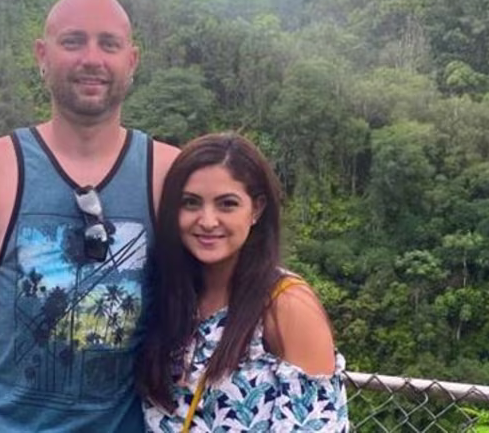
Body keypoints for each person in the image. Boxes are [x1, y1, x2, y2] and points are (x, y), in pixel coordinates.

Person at [0, 0, 180, 433]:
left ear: (132, 61)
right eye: (73, 41)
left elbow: (217, 302)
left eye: (109, 44)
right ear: (42, 55)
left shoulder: (168, 173)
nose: (92, 58)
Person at [137, 132, 350, 432]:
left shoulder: (285, 304)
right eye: (191, 203)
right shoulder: (169, 297)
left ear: (257, 209)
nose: (208, 221)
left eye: (227, 204)